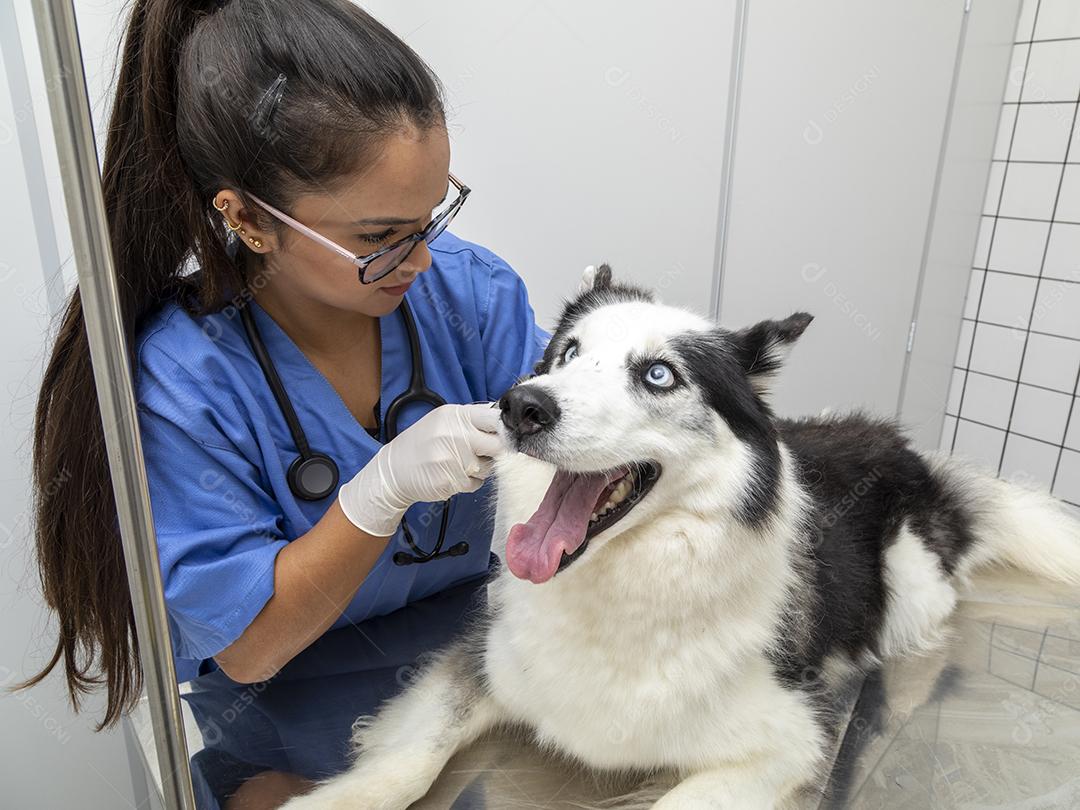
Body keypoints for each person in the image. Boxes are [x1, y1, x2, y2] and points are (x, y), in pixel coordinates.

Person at [22, 0, 548, 805]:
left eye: (430, 215)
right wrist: (381, 491)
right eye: (377, 238)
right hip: (285, 706)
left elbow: (569, 497)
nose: (419, 258)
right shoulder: (184, 379)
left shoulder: (468, 296)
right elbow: (251, 651)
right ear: (248, 220)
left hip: (493, 664)